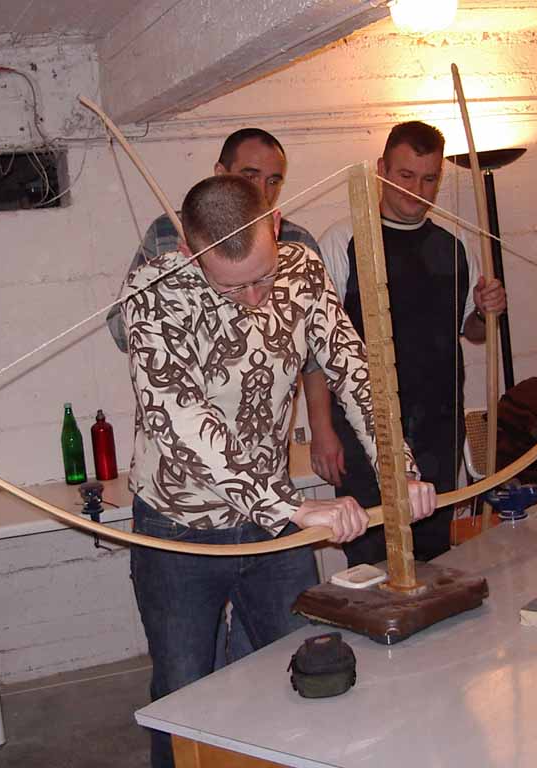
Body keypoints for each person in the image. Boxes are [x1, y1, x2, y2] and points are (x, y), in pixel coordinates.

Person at [120, 175, 436, 768]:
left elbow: (354, 372)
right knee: (182, 696)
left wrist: (399, 472)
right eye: (232, 286)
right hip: (178, 528)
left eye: (263, 276)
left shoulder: (303, 268)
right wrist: (290, 507)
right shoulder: (153, 289)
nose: (255, 296)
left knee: (308, 667)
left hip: (272, 526)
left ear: (275, 222)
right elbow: (180, 422)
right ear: (189, 252)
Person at [106, 128, 344, 485]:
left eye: (274, 180)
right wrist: (184, 288)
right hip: (180, 478)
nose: (262, 190)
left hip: (265, 468)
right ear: (220, 173)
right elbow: (122, 331)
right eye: (250, 175)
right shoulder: (168, 233)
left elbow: (318, 351)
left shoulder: (296, 243)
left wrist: (321, 429)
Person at [319, 121, 507, 566]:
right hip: (366, 432)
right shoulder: (343, 240)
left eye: (428, 179)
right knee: (371, 558)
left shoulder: (455, 244)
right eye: (405, 176)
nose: (417, 190)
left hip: (439, 430)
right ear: (381, 169)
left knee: (434, 555)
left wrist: (486, 311)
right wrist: (323, 430)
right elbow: (317, 347)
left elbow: (473, 331)